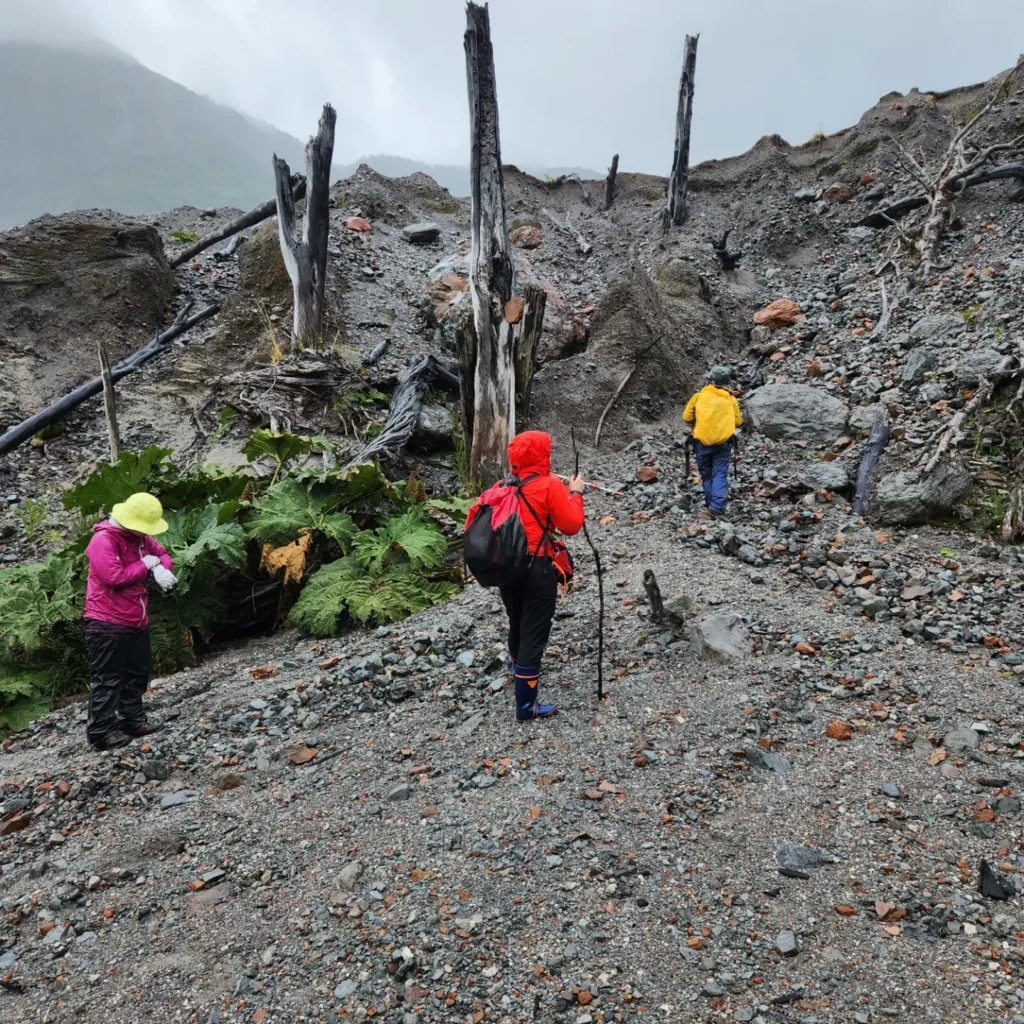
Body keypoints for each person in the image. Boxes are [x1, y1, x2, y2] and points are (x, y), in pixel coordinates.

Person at [499, 431, 585, 721]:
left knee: (517, 619)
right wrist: (576, 493)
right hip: (538, 568)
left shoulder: (503, 487)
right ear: (542, 456)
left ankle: (515, 667)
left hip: (507, 569)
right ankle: (526, 706)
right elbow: (571, 524)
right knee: (535, 631)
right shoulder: (549, 485)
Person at [83, 492, 177, 750]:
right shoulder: (103, 540)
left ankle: (132, 719)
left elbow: (163, 553)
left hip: (137, 619)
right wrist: (147, 564)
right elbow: (113, 576)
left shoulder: (140, 538)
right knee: (108, 677)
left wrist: (159, 567)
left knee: (137, 673)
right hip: (106, 622)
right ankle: (101, 732)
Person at [682, 365, 743, 517]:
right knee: (720, 474)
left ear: (711, 380)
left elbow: (687, 417)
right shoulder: (731, 399)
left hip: (701, 443)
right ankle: (716, 507)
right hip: (723, 444)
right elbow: (738, 421)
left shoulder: (698, 397)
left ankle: (712, 506)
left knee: (707, 475)